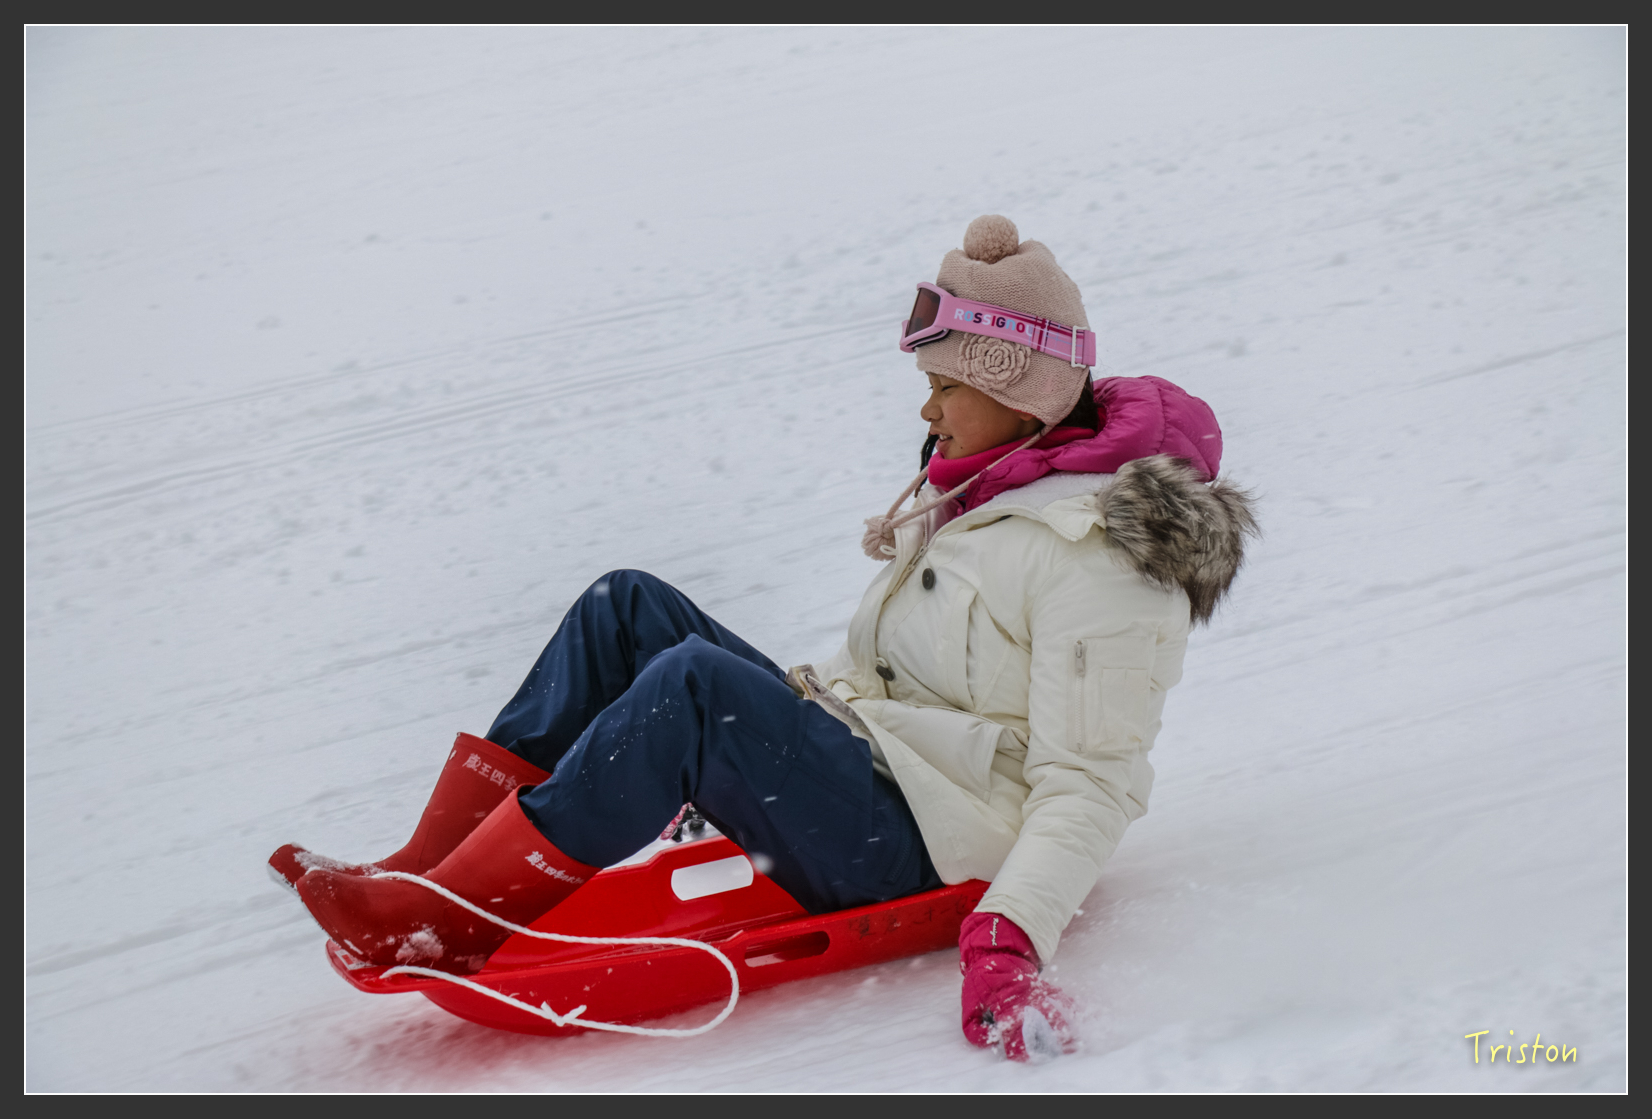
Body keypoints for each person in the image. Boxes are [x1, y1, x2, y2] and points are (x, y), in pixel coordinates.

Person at [272, 215, 1256, 1060]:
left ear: (1018, 391)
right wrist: (784, 725)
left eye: (942, 385)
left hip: (938, 844)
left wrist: (1009, 937)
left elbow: (1091, 783)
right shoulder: (993, 488)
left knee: (696, 687)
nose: (925, 407)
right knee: (627, 607)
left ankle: (446, 926)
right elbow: (888, 674)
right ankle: (427, 876)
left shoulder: (1101, 556)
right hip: (882, 768)